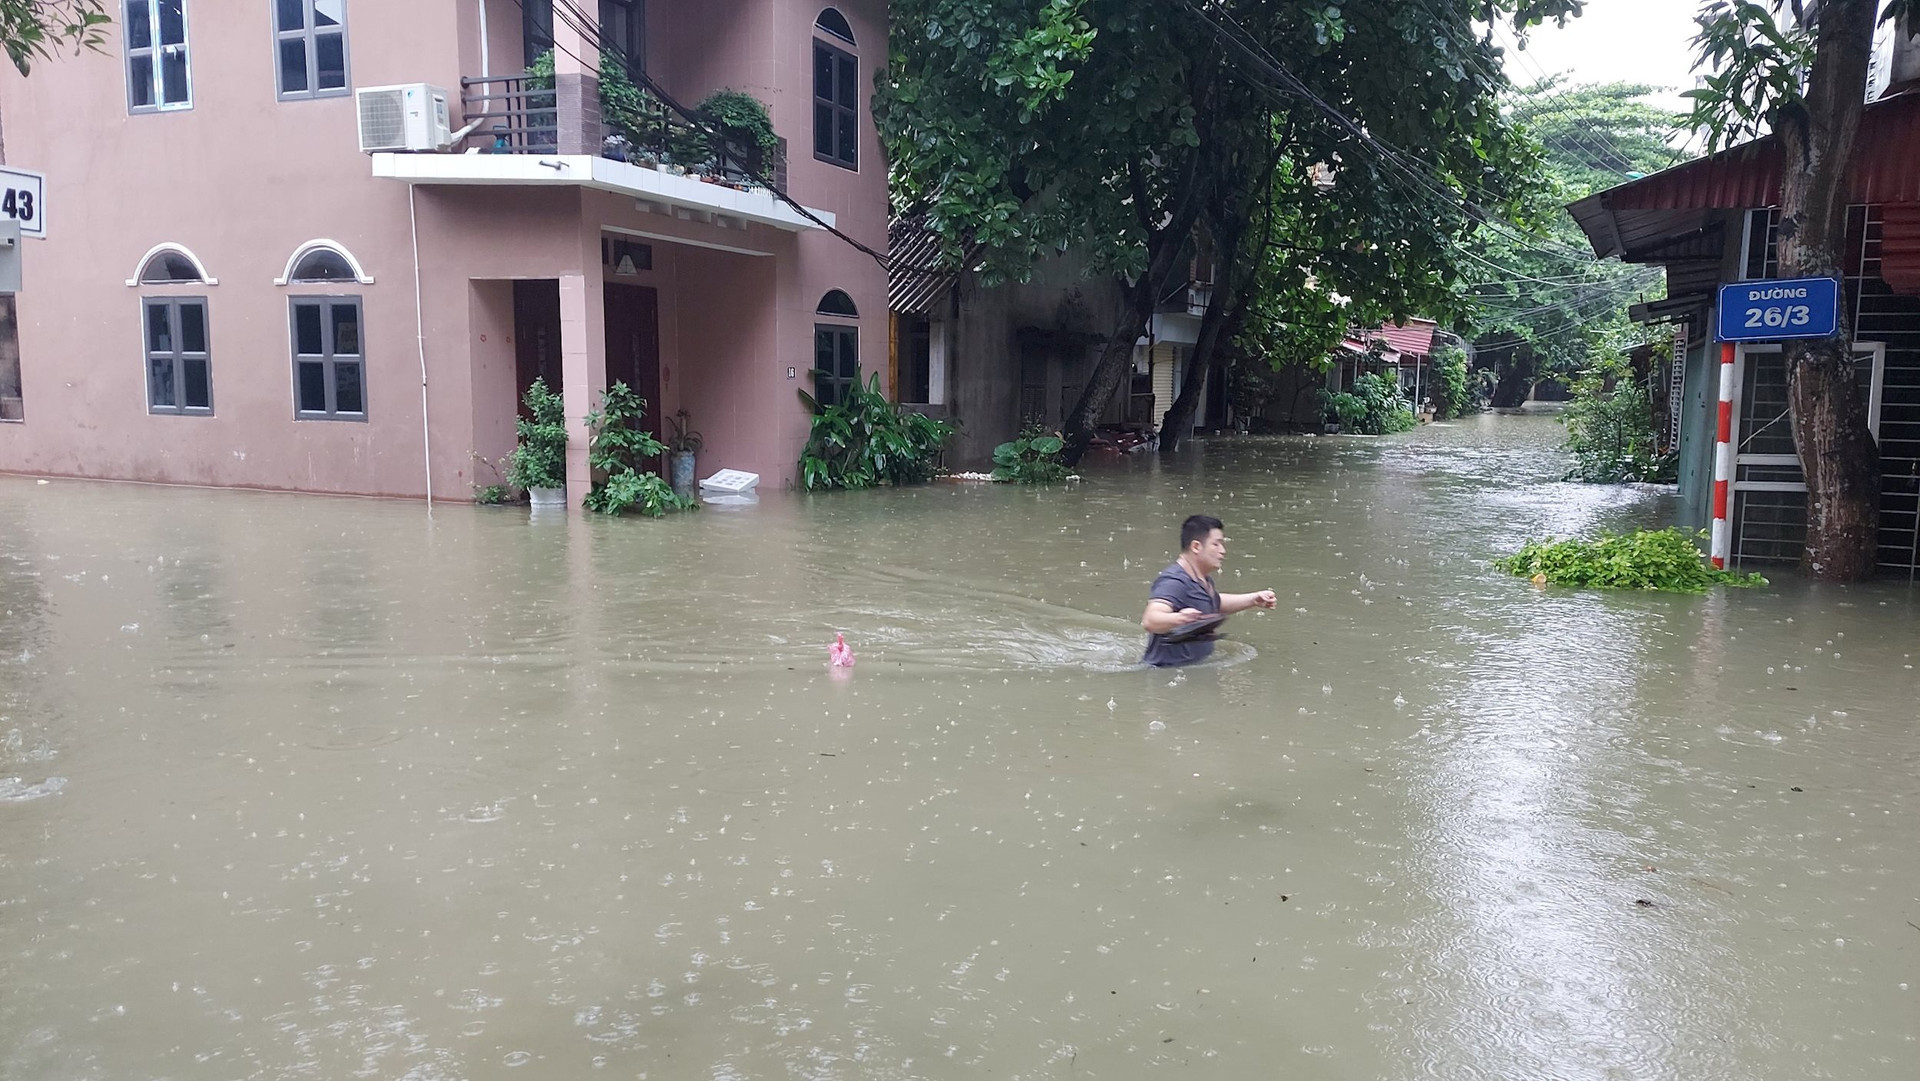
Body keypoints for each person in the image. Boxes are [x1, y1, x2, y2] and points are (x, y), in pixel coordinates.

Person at [1140, 515, 1277, 667]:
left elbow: (1212, 602)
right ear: (1196, 547)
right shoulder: (1174, 581)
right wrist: (1180, 619)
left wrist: (1253, 599)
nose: (1223, 551)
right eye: (1216, 544)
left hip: (1192, 670)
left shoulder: (1202, 579)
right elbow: (1150, 620)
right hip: (1166, 673)